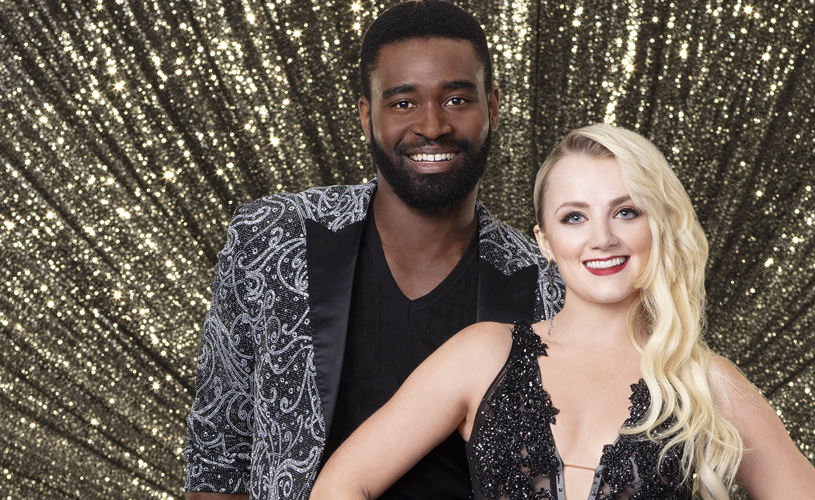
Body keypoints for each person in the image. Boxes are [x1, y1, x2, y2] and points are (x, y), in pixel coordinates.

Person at [310, 124, 815, 500]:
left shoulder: (704, 384)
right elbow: (341, 486)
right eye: (574, 217)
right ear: (545, 240)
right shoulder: (482, 356)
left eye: (625, 212)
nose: (602, 238)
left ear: (658, 225)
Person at [183, 2, 563, 499]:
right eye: (403, 103)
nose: (432, 125)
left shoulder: (547, 285)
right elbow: (217, 455)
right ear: (367, 116)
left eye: (456, 99)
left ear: (492, 108)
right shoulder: (272, 237)